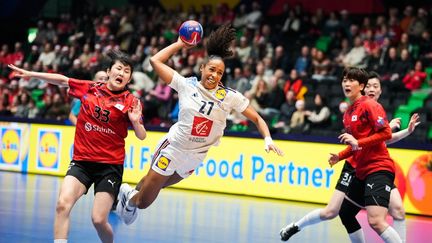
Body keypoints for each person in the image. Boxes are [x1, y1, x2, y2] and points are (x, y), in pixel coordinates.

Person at [115, 24, 284, 226]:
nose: (214, 75)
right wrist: (179, 43)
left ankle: (128, 192)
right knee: (144, 202)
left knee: (157, 185)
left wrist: (267, 138)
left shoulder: (229, 96)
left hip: (196, 155)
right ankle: (130, 199)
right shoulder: (186, 85)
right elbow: (155, 61)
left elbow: (257, 118)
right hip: (173, 148)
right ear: (202, 68)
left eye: (219, 72)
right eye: (211, 69)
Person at [8, 50, 147, 243]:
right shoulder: (90, 89)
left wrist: (136, 122)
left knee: (98, 220)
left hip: (109, 167)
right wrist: (32, 74)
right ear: (108, 71)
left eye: (127, 71)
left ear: (129, 78)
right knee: (62, 205)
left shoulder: (131, 102)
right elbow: (62, 80)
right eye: (119, 68)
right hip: (82, 162)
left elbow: (142, 136)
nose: (122, 73)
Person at [280, 69, 419, 242]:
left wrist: (405, 131)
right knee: (341, 212)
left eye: (350, 80)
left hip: (377, 167)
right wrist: (340, 155)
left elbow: (383, 136)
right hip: (358, 168)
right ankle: (296, 226)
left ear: (365, 87)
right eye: (344, 80)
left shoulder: (371, 106)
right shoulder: (348, 114)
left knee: (381, 218)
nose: (346, 83)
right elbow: (358, 143)